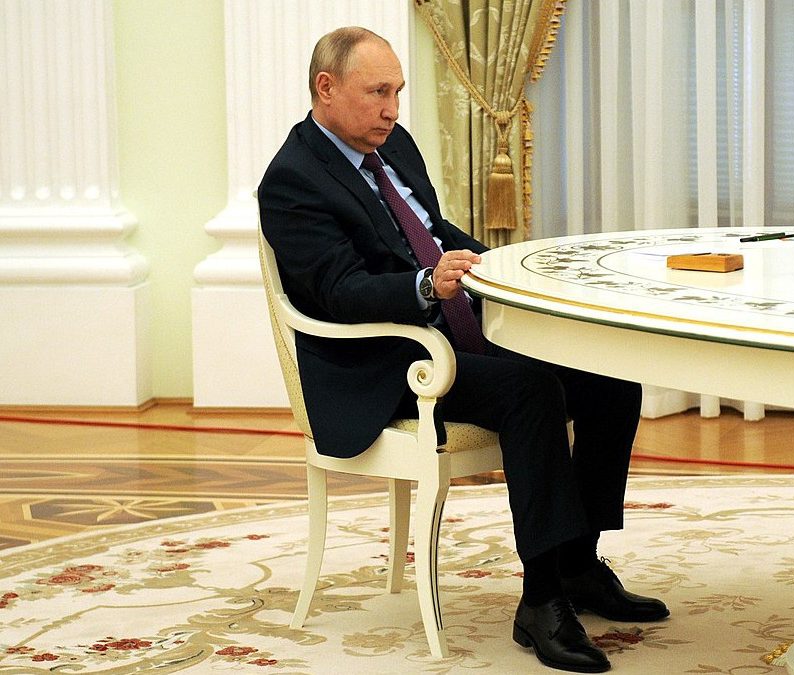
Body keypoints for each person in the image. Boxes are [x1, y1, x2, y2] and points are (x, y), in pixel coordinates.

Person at [258, 26, 668, 673]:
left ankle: (578, 562)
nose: (392, 109)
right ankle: (541, 601)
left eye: (397, 92)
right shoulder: (292, 180)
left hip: (451, 335)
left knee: (609, 376)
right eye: (378, 93)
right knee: (531, 392)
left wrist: (504, 264)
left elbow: (433, 229)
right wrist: (426, 284)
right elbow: (339, 291)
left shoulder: (392, 144)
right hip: (386, 364)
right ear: (326, 88)